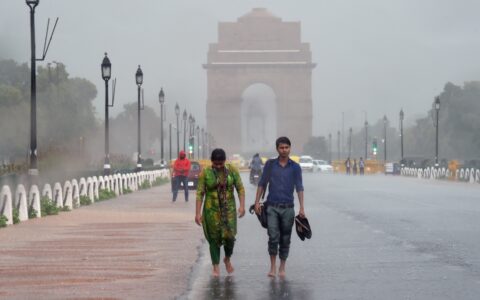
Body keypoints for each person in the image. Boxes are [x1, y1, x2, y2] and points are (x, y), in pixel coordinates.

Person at [254, 137, 305, 278]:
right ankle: (272, 267)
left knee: (285, 238)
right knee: (273, 236)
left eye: (286, 147)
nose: (284, 150)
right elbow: (262, 183)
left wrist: (302, 208)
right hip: (272, 207)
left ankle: (282, 267)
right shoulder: (270, 165)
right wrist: (257, 202)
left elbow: (299, 187)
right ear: (277, 149)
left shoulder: (295, 167)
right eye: (281, 148)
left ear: (290, 148)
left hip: (288, 207)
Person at [195, 148, 246, 277]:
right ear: (211, 161)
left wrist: (242, 206)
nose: (218, 166)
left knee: (230, 238)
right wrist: (197, 213)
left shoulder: (232, 170)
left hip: (228, 210)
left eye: (220, 163)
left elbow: (240, 188)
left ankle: (227, 258)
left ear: (225, 161)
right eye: (215, 163)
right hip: (211, 211)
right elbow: (200, 193)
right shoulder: (205, 172)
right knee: (214, 239)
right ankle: (215, 267)